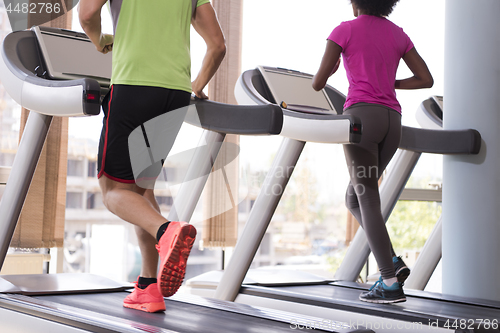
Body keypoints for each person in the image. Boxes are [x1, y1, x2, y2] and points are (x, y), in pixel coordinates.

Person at [79, 0, 226, 312]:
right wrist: (196, 85)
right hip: (174, 94)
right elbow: (217, 45)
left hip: (134, 85)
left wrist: (99, 40)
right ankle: (148, 286)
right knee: (142, 188)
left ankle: (167, 231)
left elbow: (87, 13)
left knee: (113, 191)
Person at [313, 0, 433, 303]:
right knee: (354, 197)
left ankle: (390, 282)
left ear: (355, 3)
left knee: (366, 198)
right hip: (393, 122)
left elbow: (317, 83)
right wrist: (388, 81)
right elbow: (425, 79)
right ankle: (392, 261)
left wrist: (336, 65)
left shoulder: (344, 30)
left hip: (362, 119)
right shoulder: (398, 34)